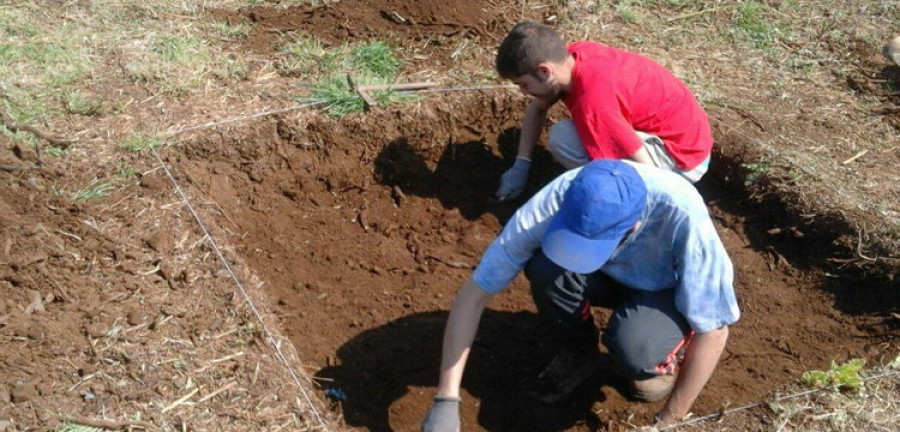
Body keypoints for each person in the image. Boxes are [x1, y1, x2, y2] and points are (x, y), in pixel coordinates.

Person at [420, 160, 739, 431]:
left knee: (636, 351)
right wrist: (446, 398)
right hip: (604, 276)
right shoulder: (557, 199)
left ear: (635, 225)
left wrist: (668, 421)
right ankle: (578, 352)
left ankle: (658, 359)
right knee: (547, 267)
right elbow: (474, 294)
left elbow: (714, 329)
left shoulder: (683, 215)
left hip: (662, 291)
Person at [494, 21, 714, 202]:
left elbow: (644, 165)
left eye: (523, 84)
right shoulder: (573, 57)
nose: (523, 93)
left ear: (544, 71)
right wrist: (521, 164)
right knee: (566, 135)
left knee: (567, 142)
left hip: (682, 158)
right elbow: (539, 107)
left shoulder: (595, 102)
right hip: (687, 136)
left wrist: (647, 202)